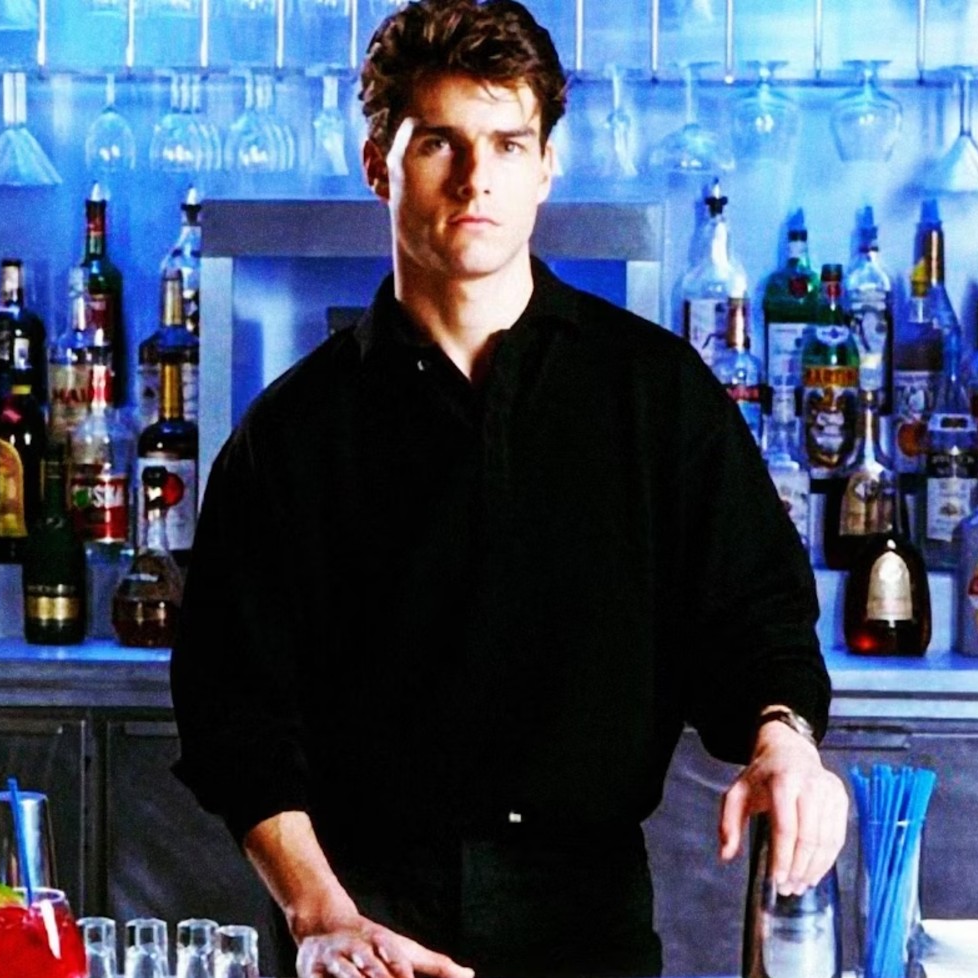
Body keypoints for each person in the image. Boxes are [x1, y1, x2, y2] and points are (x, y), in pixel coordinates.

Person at [171, 2, 847, 976]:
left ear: (546, 165)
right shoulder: (293, 434)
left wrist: (783, 741)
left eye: (506, 142)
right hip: (365, 930)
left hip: (591, 923)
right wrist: (321, 916)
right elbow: (234, 719)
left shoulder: (653, 396)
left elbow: (755, 623)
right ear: (378, 163)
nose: (476, 178)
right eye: (438, 142)